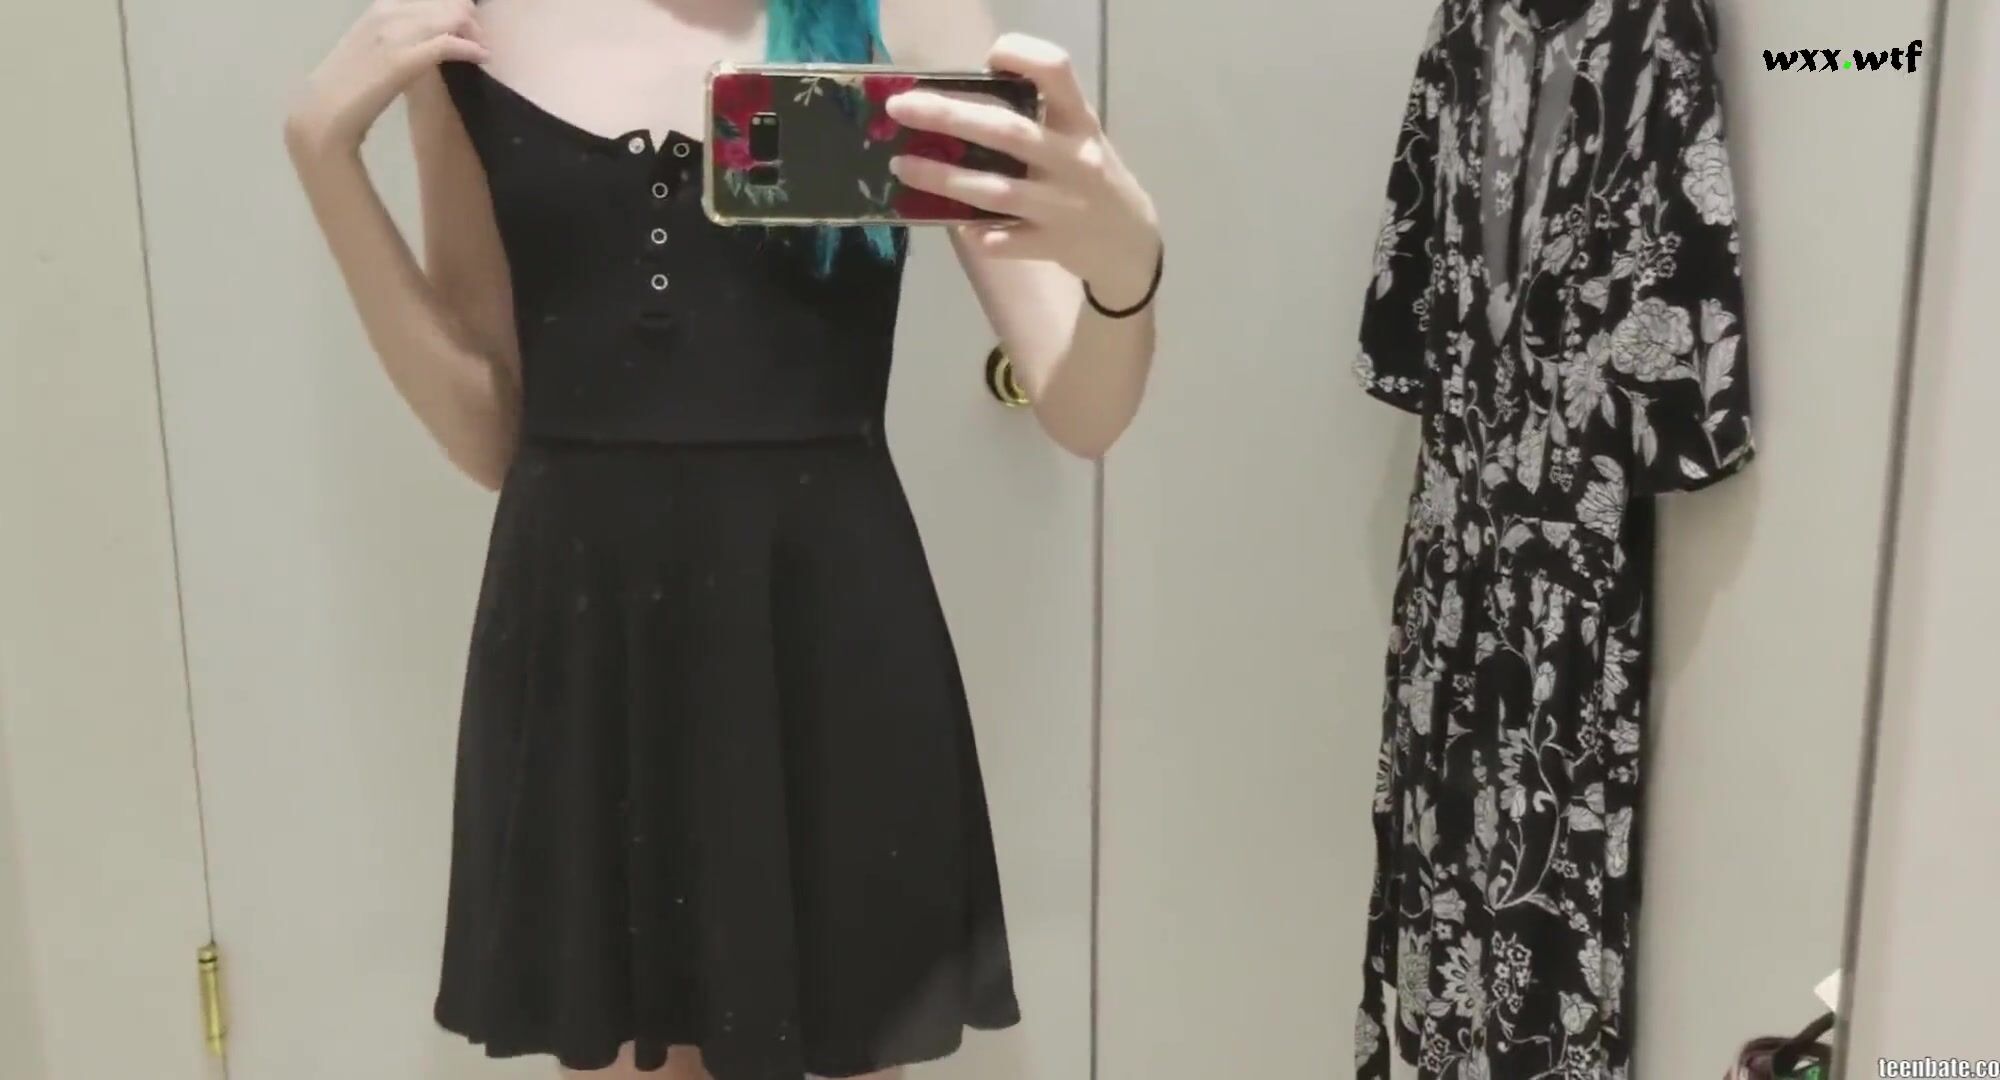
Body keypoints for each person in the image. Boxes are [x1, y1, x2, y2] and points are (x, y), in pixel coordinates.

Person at [281, 0, 1160, 1077]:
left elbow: (1082, 408)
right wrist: (323, 158)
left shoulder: (900, 9)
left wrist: (1124, 271)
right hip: (592, 655)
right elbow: (493, 428)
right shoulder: (474, 21)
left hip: (821, 642)